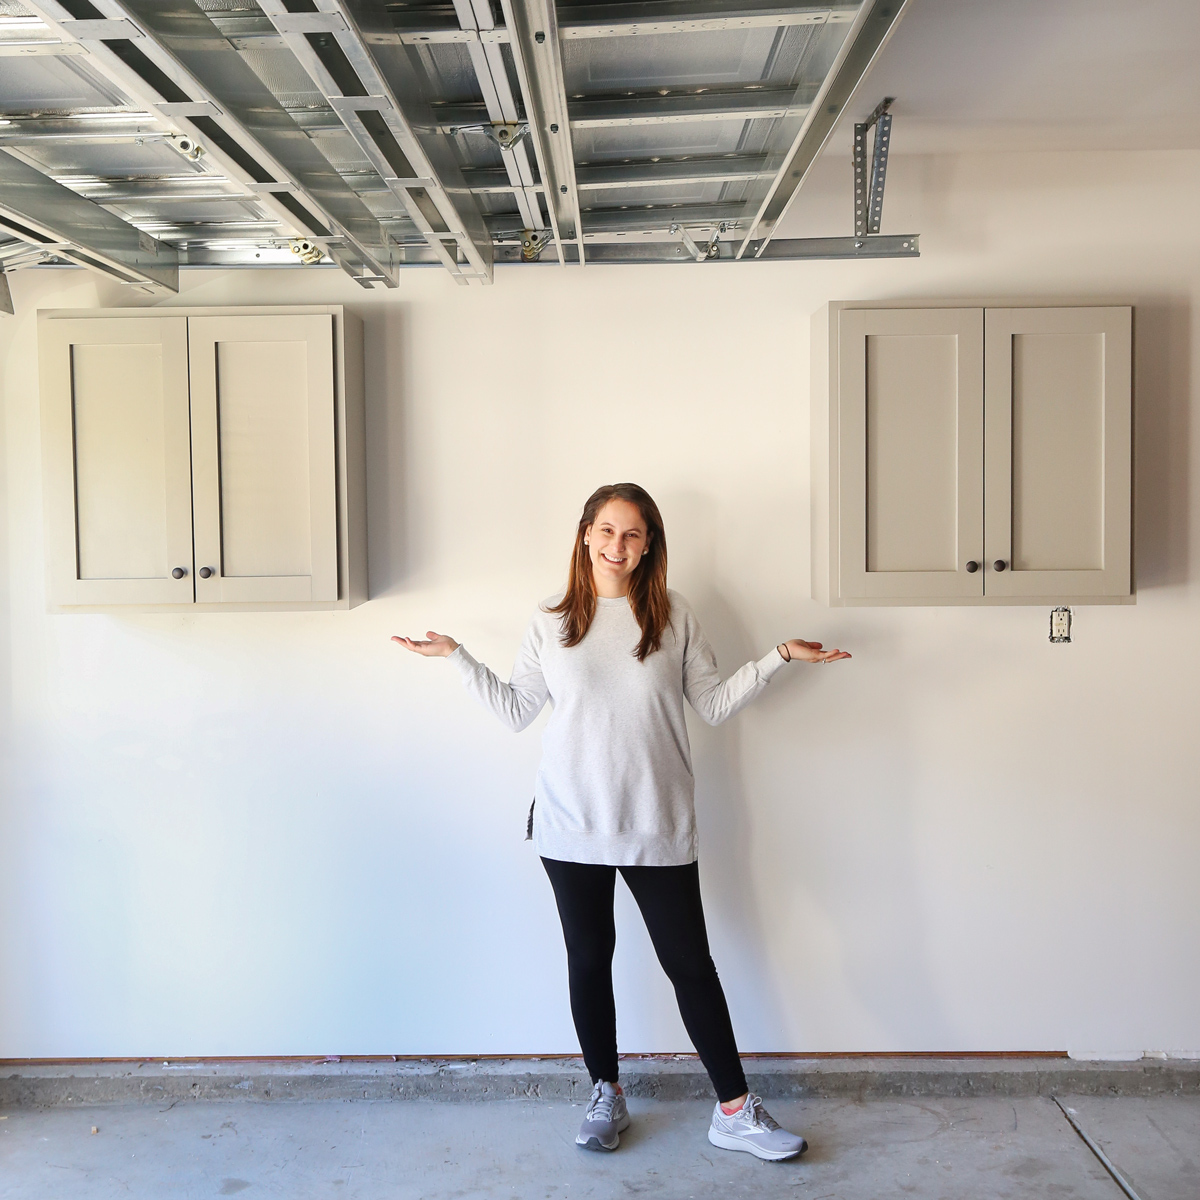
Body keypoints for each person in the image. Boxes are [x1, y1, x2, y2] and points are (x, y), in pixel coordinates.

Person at [393, 483, 850, 1161]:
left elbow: (716, 705)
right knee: (589, 961)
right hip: (569, 825)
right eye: (607, 531)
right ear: (585, 535)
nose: (617, 546)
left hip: (655, 823)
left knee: (690, 966)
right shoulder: (550, 620)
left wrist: (777, 658)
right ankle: (606, 1092)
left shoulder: (674, 615)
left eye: (633, 535)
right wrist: (459, 658)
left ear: (649, 546)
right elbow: (519, 711)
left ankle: (733, 1110)